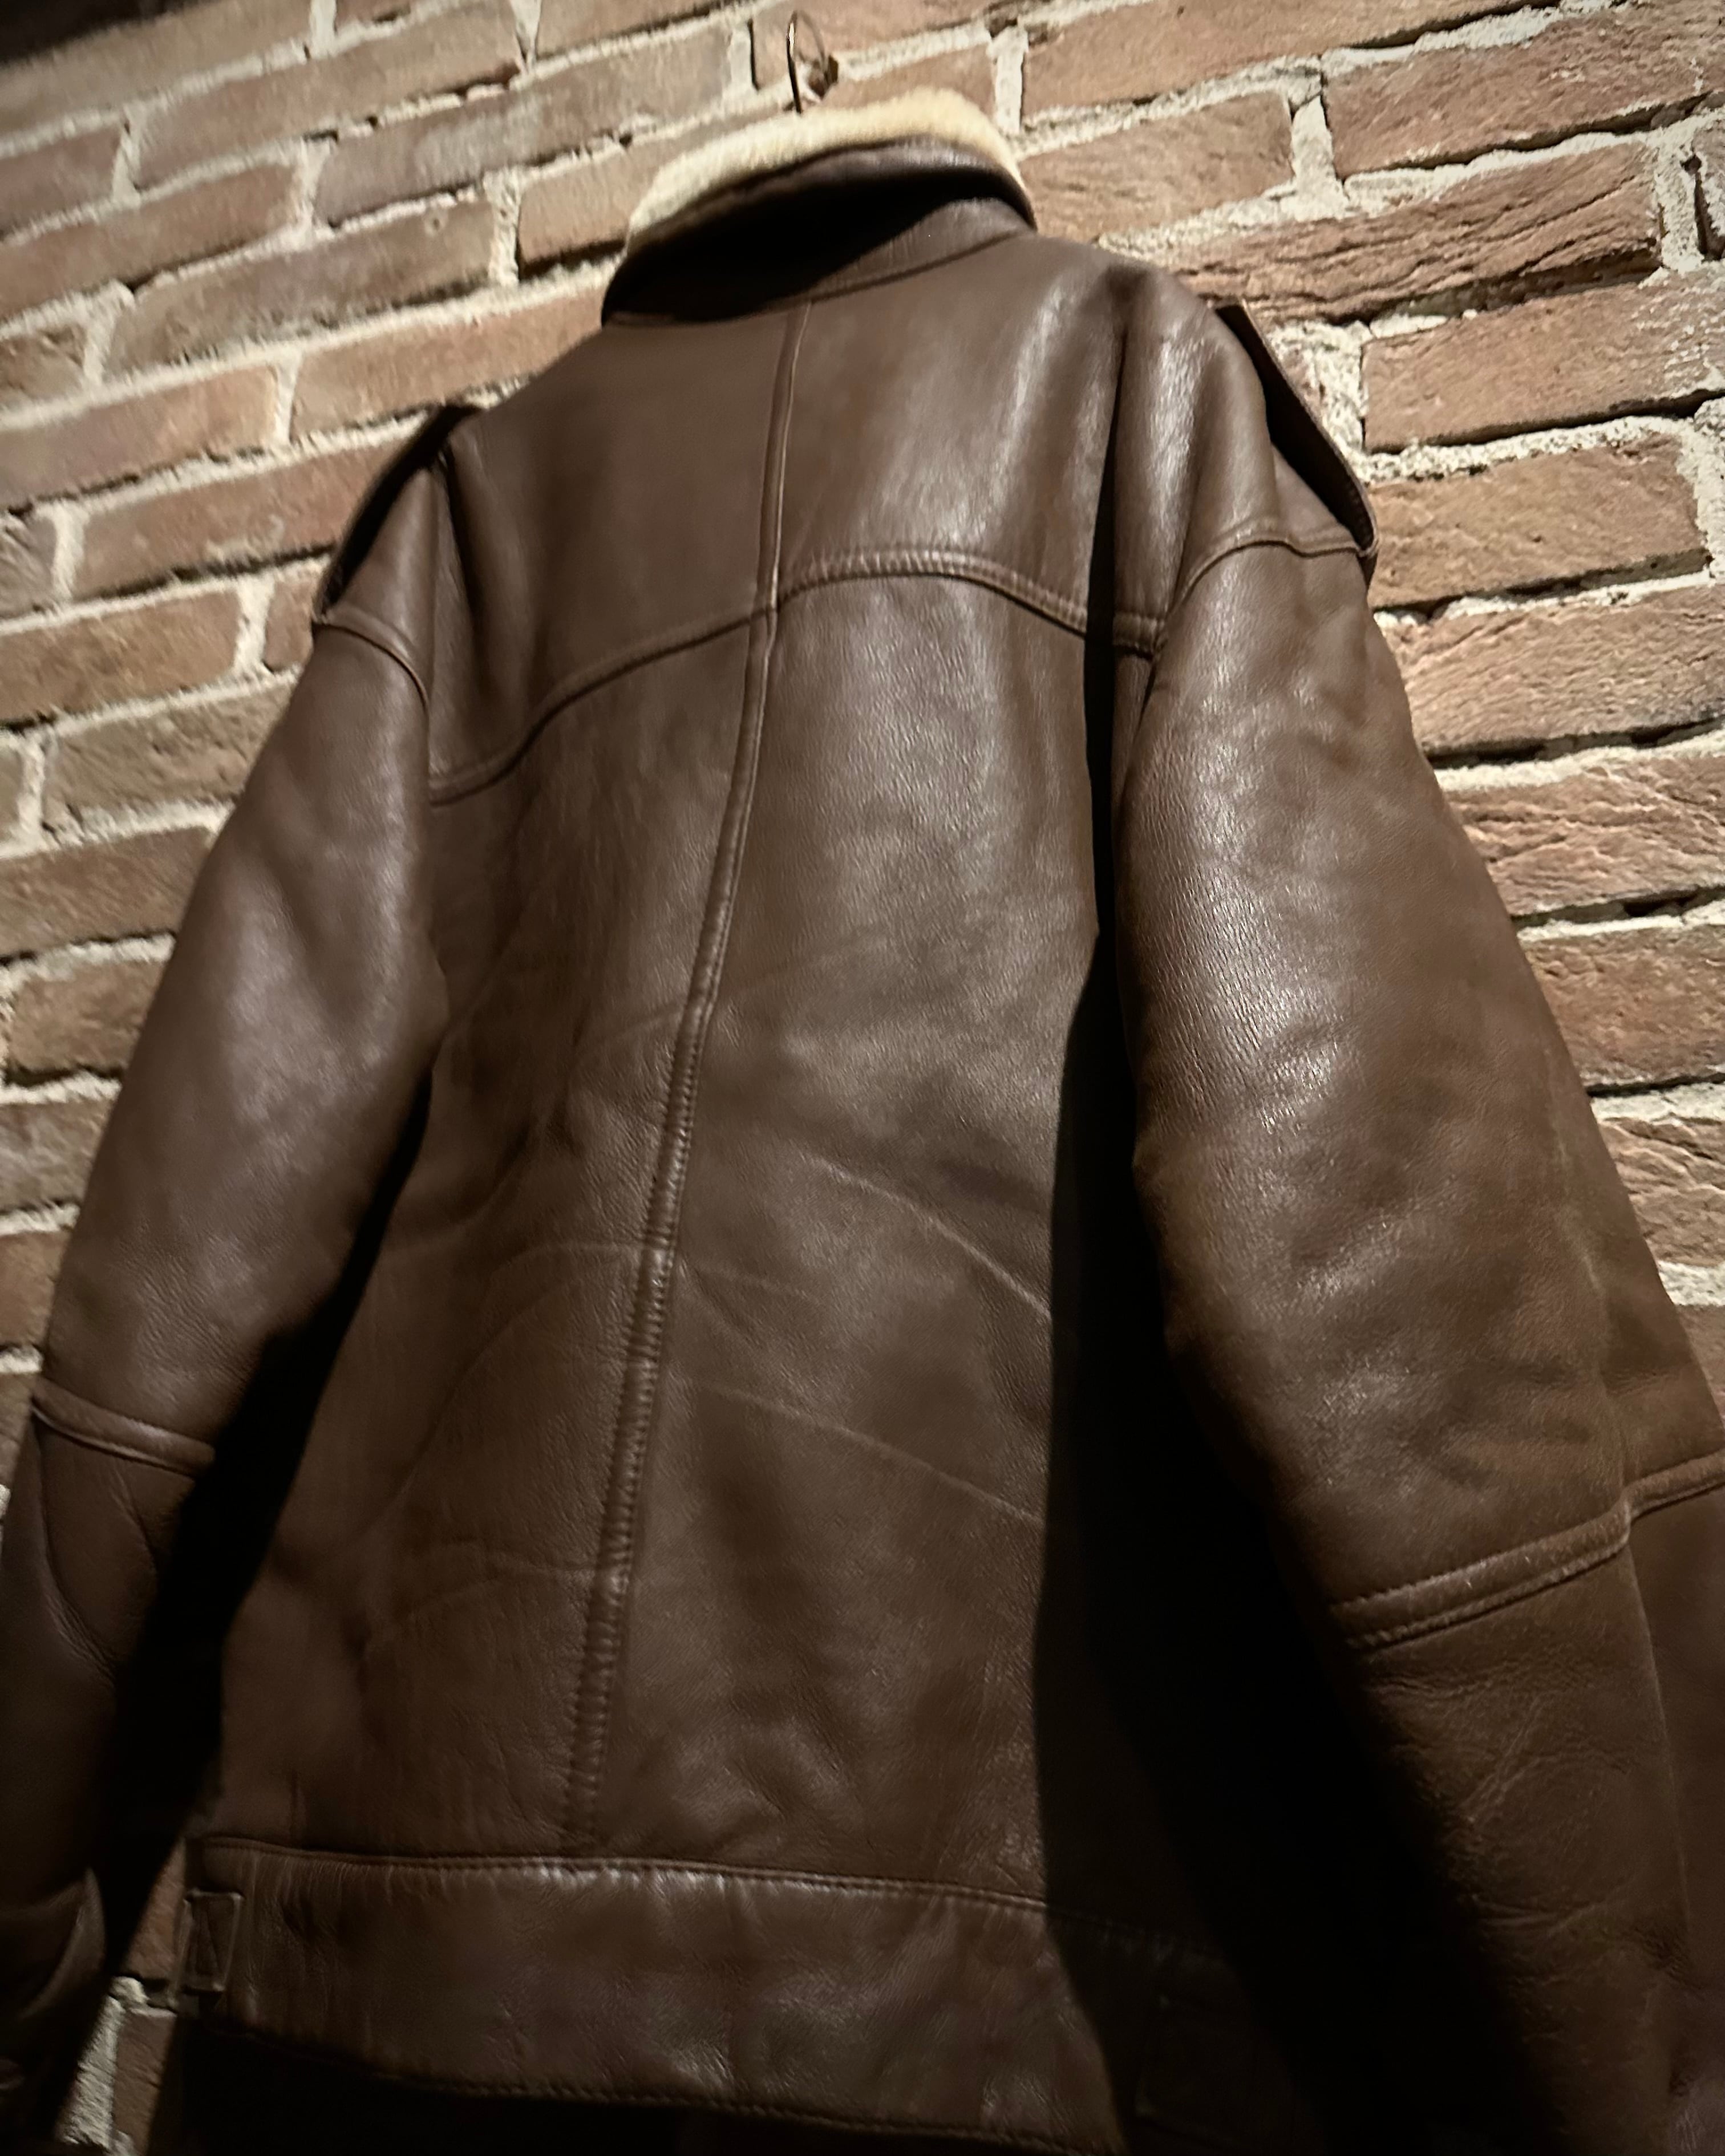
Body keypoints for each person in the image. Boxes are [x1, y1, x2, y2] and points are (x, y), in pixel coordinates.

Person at [2, 83, 1722, 2156]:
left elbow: (175, 1287)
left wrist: (23, 1949)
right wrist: (1639, 2054)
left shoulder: (465, 529)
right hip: (1011, 2029)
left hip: (390, 2003)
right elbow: (1371, 1231)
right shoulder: (1131, 388)